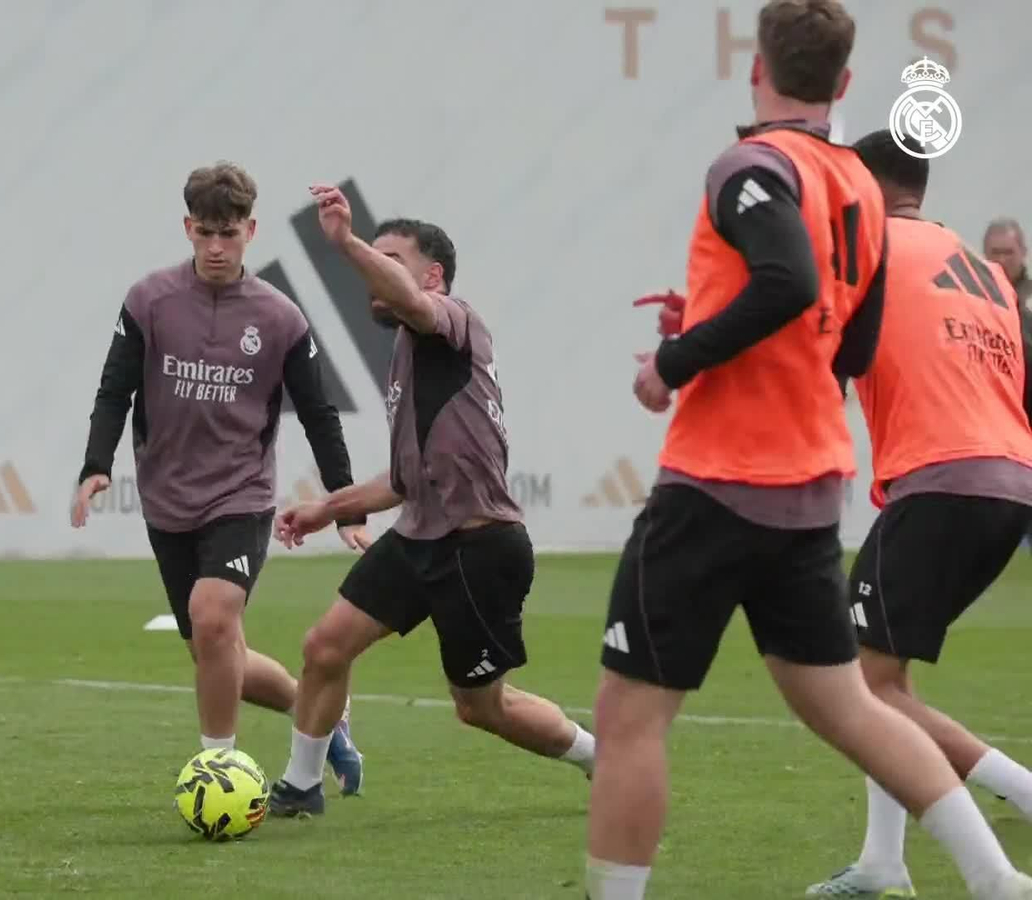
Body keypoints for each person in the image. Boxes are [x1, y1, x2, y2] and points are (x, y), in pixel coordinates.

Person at [584, 2, 1032, 898]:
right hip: (810, 486)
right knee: (851, 704)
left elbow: (786, 281)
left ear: (759, 68)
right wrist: (717, 322)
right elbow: (852, 349)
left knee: (630, 715)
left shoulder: (750, 163)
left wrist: (673, 361)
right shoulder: (862, 193)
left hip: (718, 478)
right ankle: (994, 881)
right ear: (846, 82)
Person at [264, 200, 596, 818]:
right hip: (420, 538)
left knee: (480, 708)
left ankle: (598, 758)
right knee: (325, 647)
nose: (373, 275)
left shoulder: (452, 320)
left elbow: (412, 303)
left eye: (391, 262)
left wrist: (345, 245)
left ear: (433, 276)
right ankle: (301, 786)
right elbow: (404, 481)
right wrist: (326, 510)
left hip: (481, 547)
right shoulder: (407, 355)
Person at [70, 162, 367, 791]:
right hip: (165, 498)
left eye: (227, 234)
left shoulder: (281, 318)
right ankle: (320, 715)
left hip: (241, 494)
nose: (214, 246)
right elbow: (113, 391)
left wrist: (346, 506)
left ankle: (218, 770)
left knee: (212, 617)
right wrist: (97, 466)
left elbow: (318, 414)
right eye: (204, 232)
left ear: (251, 232)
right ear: (186, 227)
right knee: (214, 648)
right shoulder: (148, 301)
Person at [803, 133, 1032, 897]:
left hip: (941, 480)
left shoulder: (869, 250)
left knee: (866, 691)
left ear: (869, 188)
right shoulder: (986, 271)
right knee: (880, 672)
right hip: (1006, 481)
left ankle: (1009, 827)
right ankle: (881, 861)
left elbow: (814, 356)